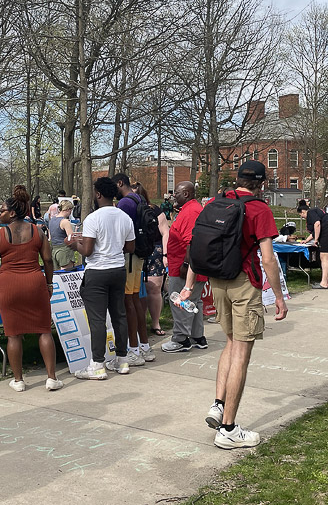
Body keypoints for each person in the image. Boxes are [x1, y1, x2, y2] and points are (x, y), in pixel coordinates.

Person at [181, 161, 285, 449]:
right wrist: (277, 296)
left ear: (238, 179)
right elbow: (267, 258)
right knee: (242, 351)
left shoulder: (216, 202)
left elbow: (197, 247)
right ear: (261, 183)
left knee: (229, 343)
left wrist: (189, 286)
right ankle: (228, 429)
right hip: (243, 283)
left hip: (217, 282)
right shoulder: (259, 208)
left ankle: (218, 404)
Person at [0, 185, 63, 392]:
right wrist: (49, 283)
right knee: (44, 330)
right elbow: (48, 260)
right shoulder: (38, 232)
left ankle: (18, 380)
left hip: (9, 286)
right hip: (34, 283)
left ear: (12, 213)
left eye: (1, 210)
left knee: (13, 334)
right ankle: (52, 378)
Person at [64, 177, 135, 380]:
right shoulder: (124, 217)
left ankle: (97, 364)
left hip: (97, 272)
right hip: (118, 269)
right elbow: (130, 247)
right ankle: (122, 360)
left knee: (97, 319)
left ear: (98, 194)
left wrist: (73, 245)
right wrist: (114, 246)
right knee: (119, 315)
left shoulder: (93, 218)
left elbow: (86, 251)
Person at [161, 181, 209, 353]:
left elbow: (193, 241)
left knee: (180, 300)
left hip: (185, 267)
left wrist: (187, 265)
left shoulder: (191, 211)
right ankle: (197, 336)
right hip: (188, 265)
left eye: (177, 193)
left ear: (187, 194)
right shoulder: (190, 209)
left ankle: (180, 339)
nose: (174, 196)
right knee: (194, 301)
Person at [111, 173, 154, 365]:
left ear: (120, 183)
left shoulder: (124, 204)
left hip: (129, 255)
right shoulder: (138, 198)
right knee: (136, 299)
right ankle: (144, 346)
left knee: (128, 301)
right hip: (139, 256)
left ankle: (134, 349)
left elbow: (120, 232)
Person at [134, 183, 169, 336]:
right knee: (135, 290)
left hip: (154, 250)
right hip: (134, 250)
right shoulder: (127, 209)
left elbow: (165, 232)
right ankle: (138, 322)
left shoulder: (155, 210)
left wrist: (166, 254)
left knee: (154, 288)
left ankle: (155, 323)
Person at [297, 201, 328, 289]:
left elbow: (317, 224)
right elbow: (315, 231)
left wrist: (316, 240)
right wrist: (306, 240)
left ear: (303, 212)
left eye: (301, 215)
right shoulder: (315, 211)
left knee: (324, 256)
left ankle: (324, 283)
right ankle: (324, 281)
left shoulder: (310, 212)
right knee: (325, 257)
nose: (302, 217)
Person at [48, 200, 78, 270]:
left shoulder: (52, 220)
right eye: (71, 210)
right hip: (64, 251)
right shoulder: (65, 222)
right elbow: (71, 238)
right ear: (68, 209)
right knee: (66, 276)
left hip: (54, 251)